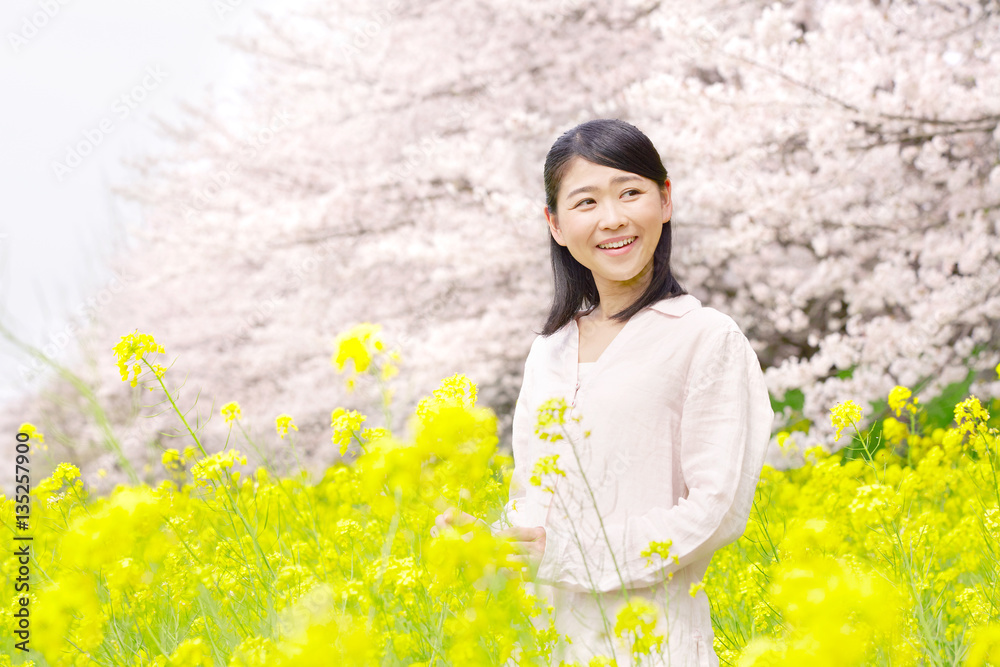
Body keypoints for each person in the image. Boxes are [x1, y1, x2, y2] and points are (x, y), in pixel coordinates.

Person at [435, 118, 773, 666]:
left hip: (651, 642)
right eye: (586, 201)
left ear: (665, 201)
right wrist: (493, 541)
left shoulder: (706, 337)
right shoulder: (548, 350)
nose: (612, 218)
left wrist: (569, 555)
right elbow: (537, 499)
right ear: (556, 224)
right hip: (546, 643)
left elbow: (714, 512)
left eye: (631, 192)